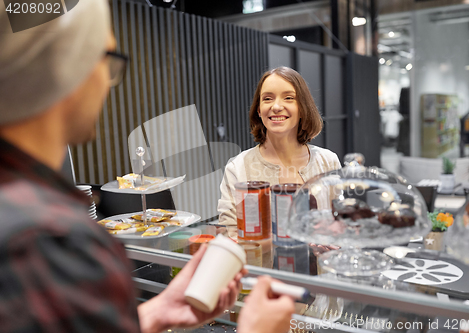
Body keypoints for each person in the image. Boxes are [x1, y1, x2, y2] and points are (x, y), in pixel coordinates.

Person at [0, 1, 294, 332]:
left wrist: (155, 314)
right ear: (66, 67)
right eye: (107, 59)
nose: (107, 84)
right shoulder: (50, 241)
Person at [218, 66, 341, 227]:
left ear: (303, 109)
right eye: (267, 99)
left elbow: (341, 223)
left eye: (289, 98)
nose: (276, 107)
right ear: (259, 111)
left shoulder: (327, 162)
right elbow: (230, 231)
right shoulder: (238, 168)